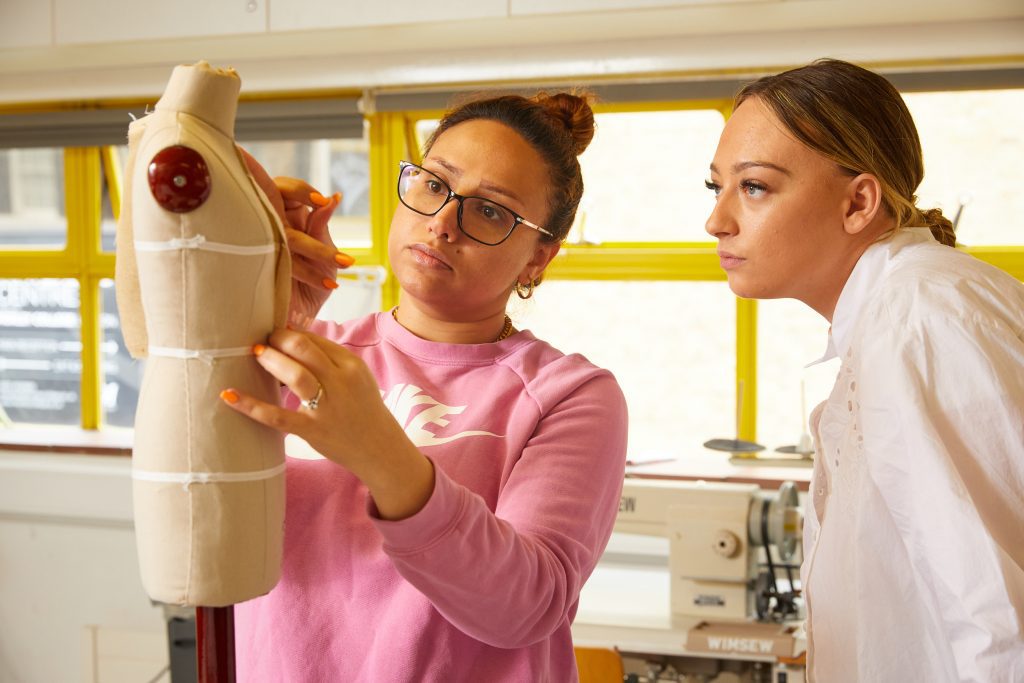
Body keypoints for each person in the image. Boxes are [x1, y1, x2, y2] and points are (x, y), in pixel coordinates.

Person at [220, 91, 629, 681]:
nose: (441, 224)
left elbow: (527, 606)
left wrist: (379, 452)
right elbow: (189, 503)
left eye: (491, 211)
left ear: (539, 257)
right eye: (434, 184)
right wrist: (251, 307)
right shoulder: (300, 351)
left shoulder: (569, 394)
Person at [704, 58, 1024, 682]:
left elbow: (996, 620)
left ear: (859, 202)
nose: (717, 220)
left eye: (755, 187)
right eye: (715, 187)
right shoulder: (902, 312)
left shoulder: (919, 321)